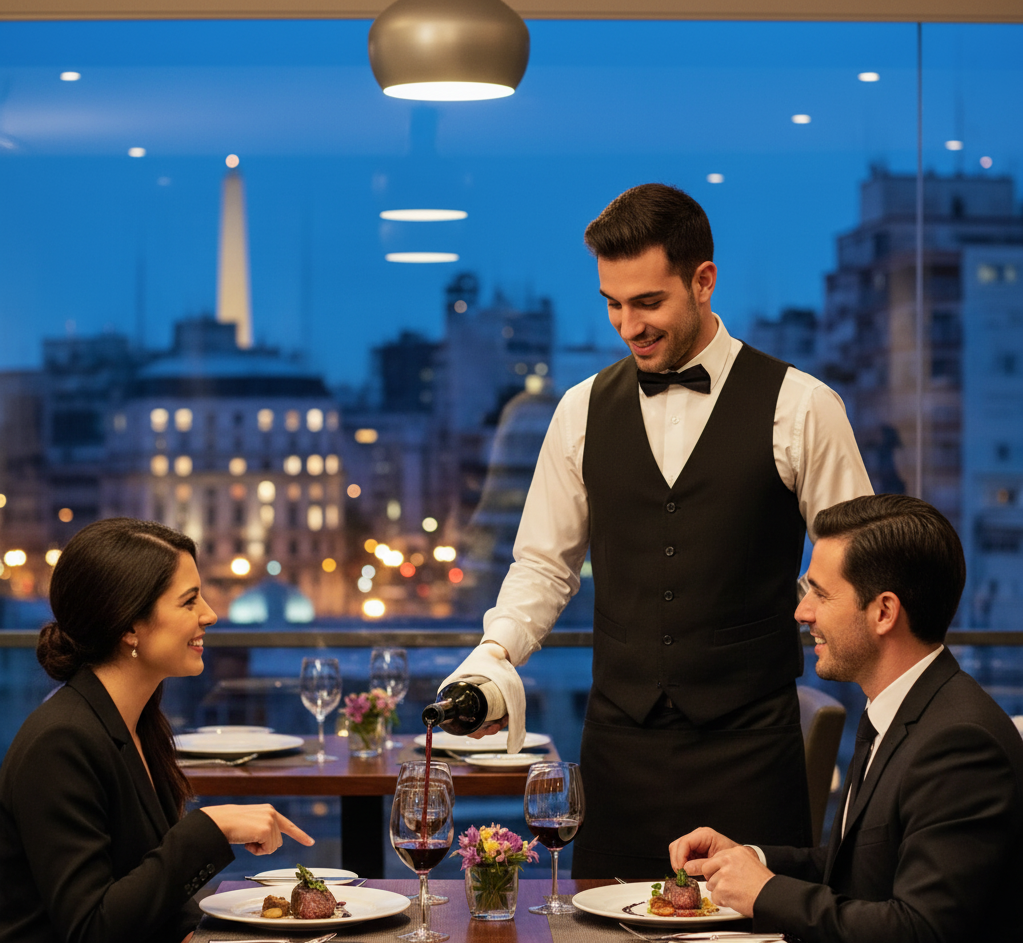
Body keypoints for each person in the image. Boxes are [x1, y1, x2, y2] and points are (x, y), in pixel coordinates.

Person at [442, 182, 873, 877]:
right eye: (612, 303)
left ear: (703, 281)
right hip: (619, 749)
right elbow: (544, 565)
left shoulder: (802, 407)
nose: (627, 324)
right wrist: (494, 654)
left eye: (647, 302)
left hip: (750, 750)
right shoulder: (580, 410)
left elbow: (858, 568)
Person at [669, 494, 1023, 942]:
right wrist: (749, 860)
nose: (802, 613)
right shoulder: (902, 708)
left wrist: (767, 893)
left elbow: (920, 929)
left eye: (821, 592)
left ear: (884, 612)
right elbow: (855, 871)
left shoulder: (960, 744)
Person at [0, 518, 315, 943]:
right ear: (129, 624)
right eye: (189, 602)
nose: (210, 614)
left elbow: (154, 902)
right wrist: (209, 829)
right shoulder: (61, 742)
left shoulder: (138, 722)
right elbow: (92, 928)